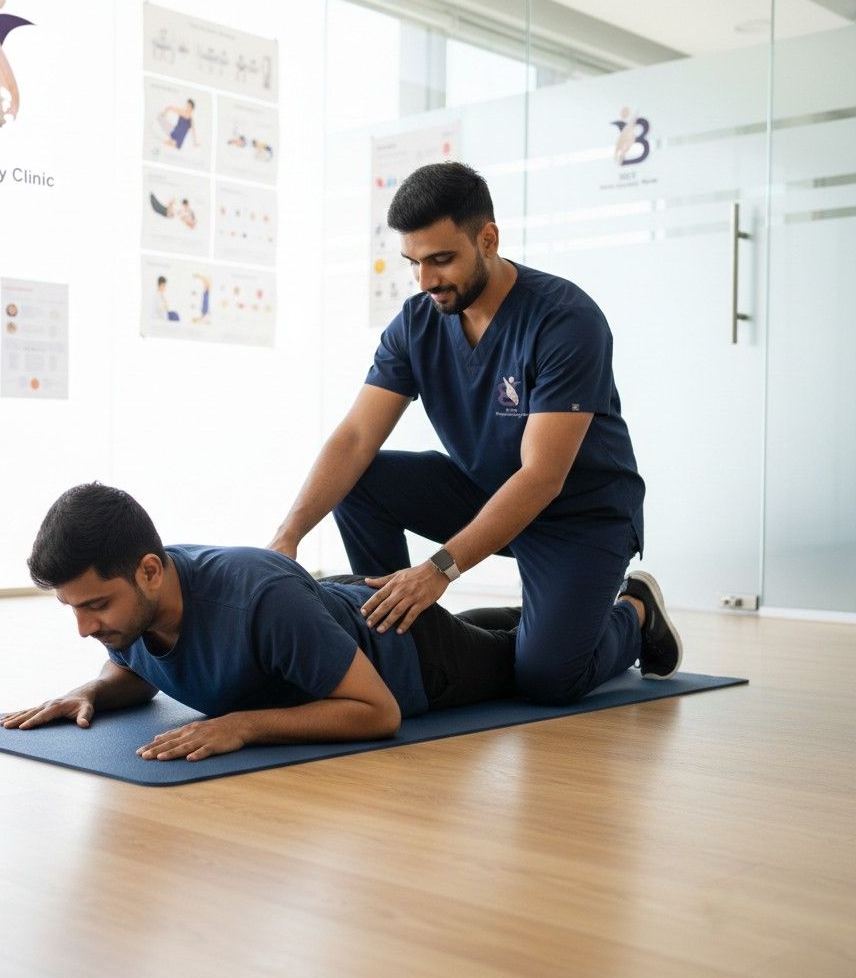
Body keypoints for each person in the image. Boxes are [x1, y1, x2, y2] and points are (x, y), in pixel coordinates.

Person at [269, 161, 682, 705]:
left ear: (487, 239)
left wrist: (439, 568)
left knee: (548, 680)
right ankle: (400, 633)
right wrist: (288, 536)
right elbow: (353, 440)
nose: (427, 281)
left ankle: (633, 611)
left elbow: (541, 477)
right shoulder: (417, 324)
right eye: (414, 263)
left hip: (581, 516)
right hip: (485, 493)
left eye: (442, 259)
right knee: (360, 478)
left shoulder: (566, 320)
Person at [1, 483, 522, 762]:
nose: (85, 628)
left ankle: (610, 611)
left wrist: (244, 725)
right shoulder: (135, 607)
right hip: (329, 608)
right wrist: (91, 691)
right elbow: (140, 671)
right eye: (72, 608)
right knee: (495, 632)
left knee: (537, 662)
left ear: (150, 571)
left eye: (94, 606)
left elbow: (378, 713)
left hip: (417, 653)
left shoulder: (256, 600)